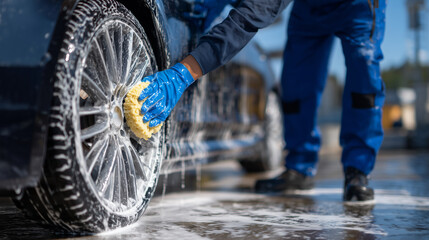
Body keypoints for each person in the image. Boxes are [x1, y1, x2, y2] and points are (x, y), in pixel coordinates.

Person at [138, 0, 386, 202]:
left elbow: (246, 19)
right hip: (310, 9)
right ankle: (299, 166)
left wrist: (184, 73)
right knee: (296, 84)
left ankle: (358, 171)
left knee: (363, 79)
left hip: (359, 6)